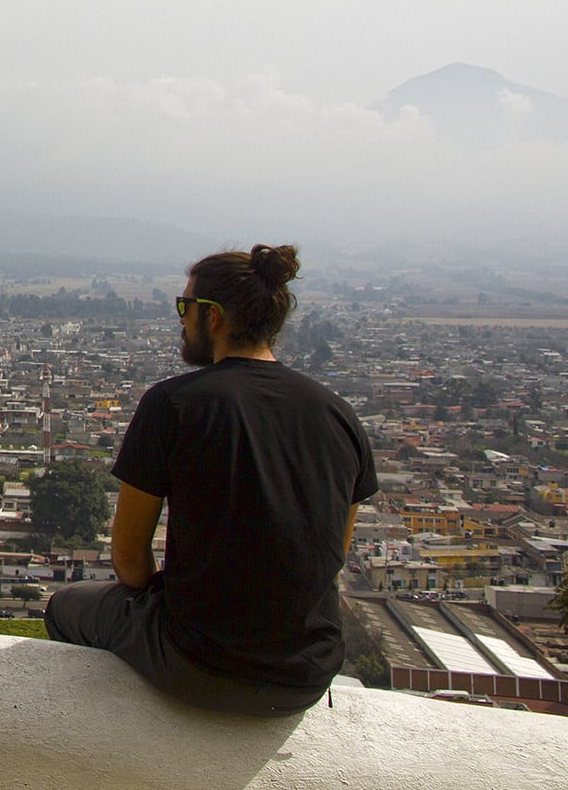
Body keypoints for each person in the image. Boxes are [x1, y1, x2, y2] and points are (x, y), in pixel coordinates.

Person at [45, 244, 376, 715]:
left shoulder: (173, 404)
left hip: (200, 665)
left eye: (185, 307)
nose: (180, 320)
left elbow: (128, 560)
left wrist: (168, 603)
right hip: (307, 676)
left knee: (66, 607)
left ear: (213, 317)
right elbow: (333, 557)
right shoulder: (339, 415)